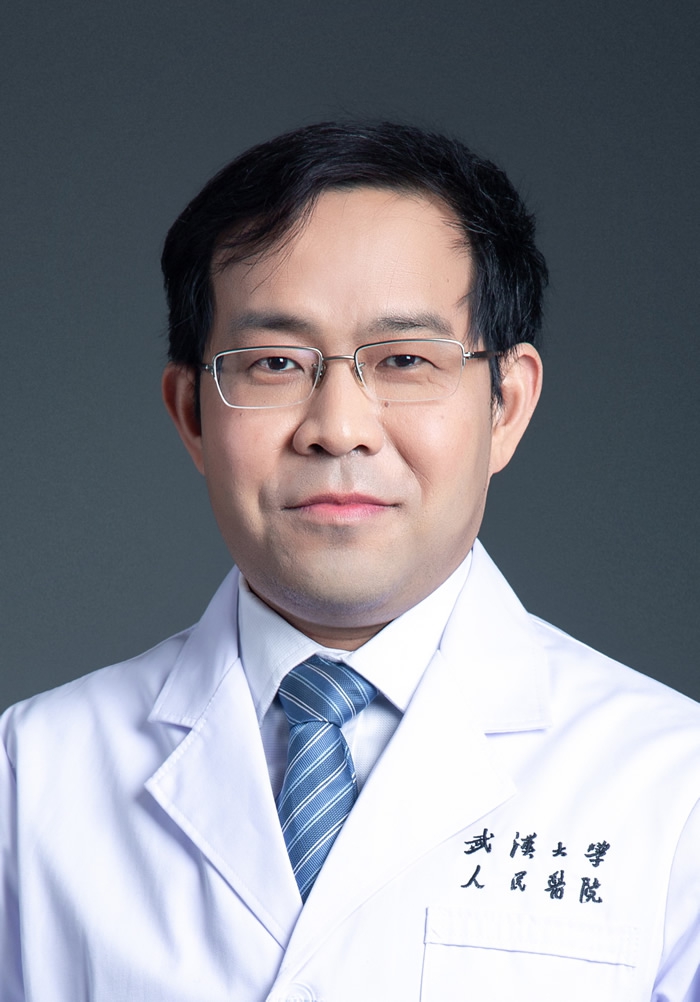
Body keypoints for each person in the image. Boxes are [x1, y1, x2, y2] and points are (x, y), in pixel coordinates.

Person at [1, 122, 699, 1002]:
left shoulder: (675, 788)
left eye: (404, 359)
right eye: (273, 362)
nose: (338, 427)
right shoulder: (29, 778)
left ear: (507, 406)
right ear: (190, 415)